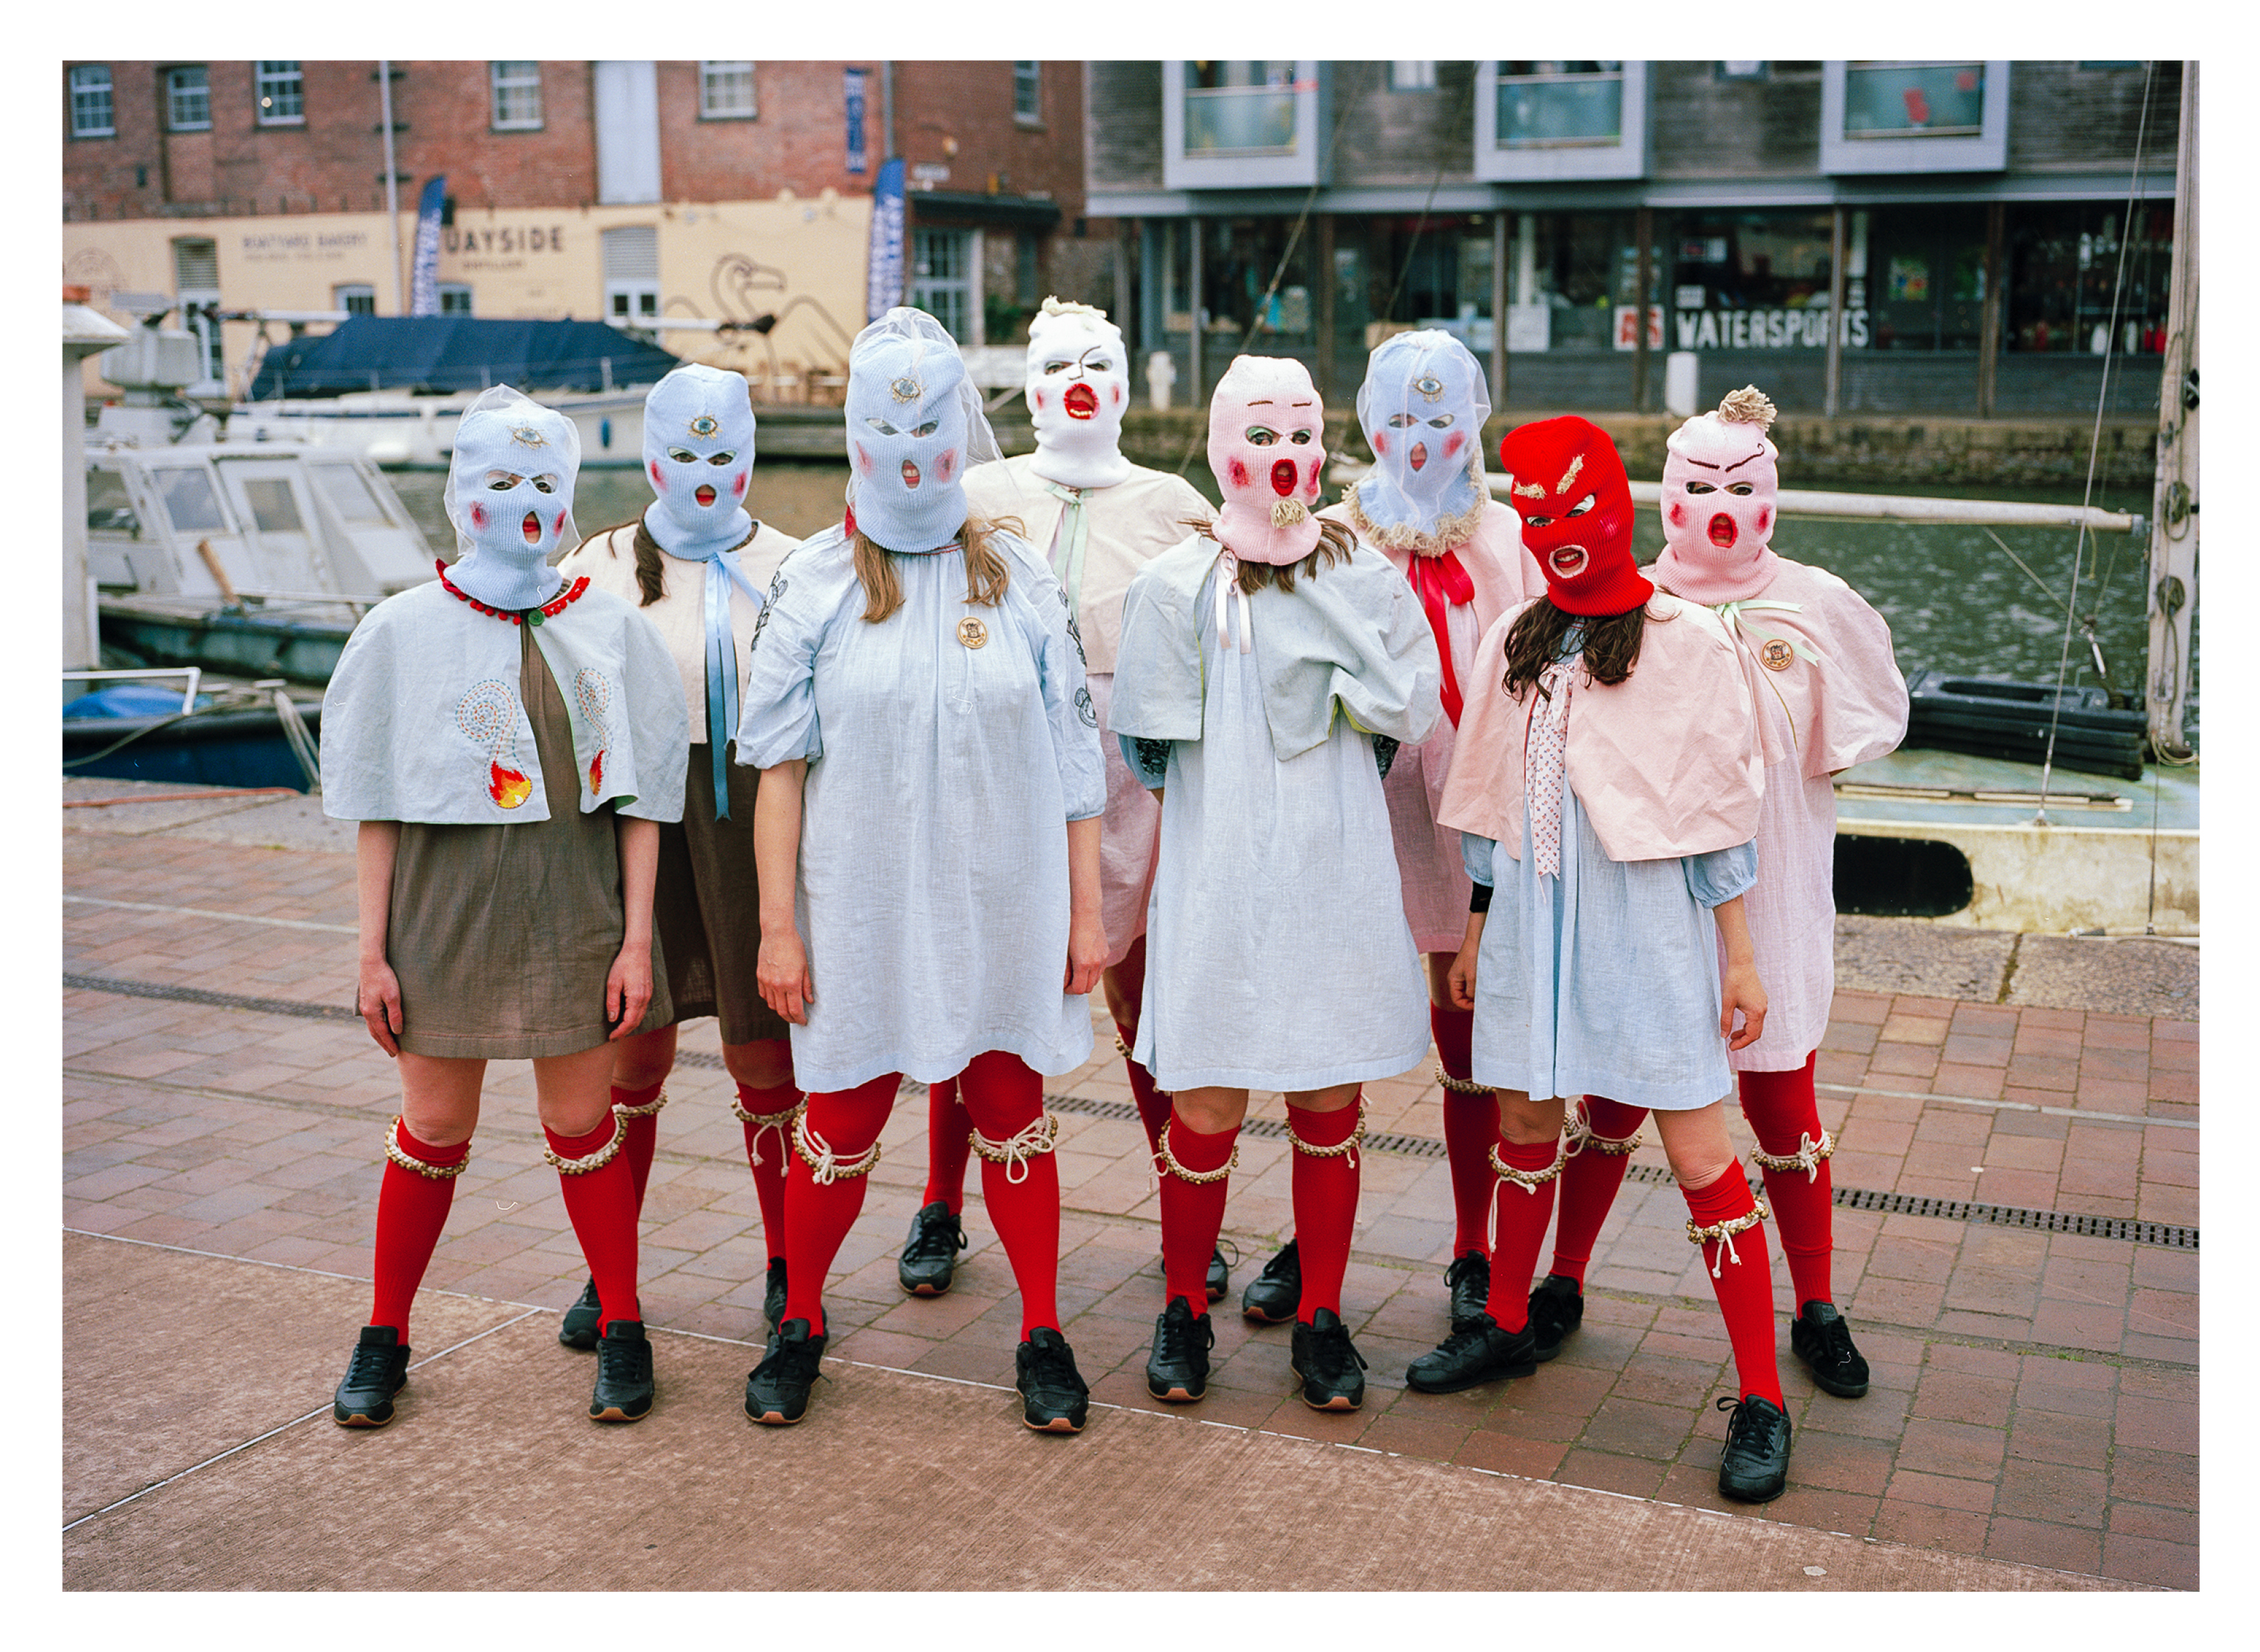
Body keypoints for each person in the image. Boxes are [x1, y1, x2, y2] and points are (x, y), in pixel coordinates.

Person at [1406, 415, 1795, 1503]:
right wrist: (1479, 928)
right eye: (1534, 515)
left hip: (1647, 922)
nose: (1554, 533)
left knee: (1702, 1151)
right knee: (1527, 1123)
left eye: (1571, 510)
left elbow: (1722, 810)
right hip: (1531, 912)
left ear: (1616, 508)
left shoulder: (1686, 639)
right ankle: (1513, 1321)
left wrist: (1740, 959)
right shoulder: (1517, 636)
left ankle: (1762, 1393)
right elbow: (1484, 790)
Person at [735, 308, 1107, 1433]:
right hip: (860, 910)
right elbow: (780, 769)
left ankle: (1041, 1330)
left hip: (1003, 902)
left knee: (1012, 1110)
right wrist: (777, 929)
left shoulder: (1020, 581)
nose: (911, 458)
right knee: (840, 1122)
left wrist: (1086, 918)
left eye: (930, 431)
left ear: (961, 432)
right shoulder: (812, 585)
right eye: (885, 434)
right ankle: (801, 1319)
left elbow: (1077, 763)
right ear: (856, 438)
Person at [320, 386, 688, 1428]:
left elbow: (644, 799)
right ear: (460, 495)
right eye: (500, 482)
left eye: (544, 484)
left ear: (568, 501)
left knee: (583, 1124)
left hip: (575, 913)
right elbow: (376, 806)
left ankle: (621, 1323)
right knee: (432, 1130)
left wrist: (635, 941)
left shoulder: (610, 627)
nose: (522, 503)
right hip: (443, 922)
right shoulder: (401, 630)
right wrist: (371, 953)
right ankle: (385, 1332)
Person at [1529, 388, 1908, 1400]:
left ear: (1773, 498)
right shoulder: (1628, 608)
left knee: (1782, 1097)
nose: (1722, 506)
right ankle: (1563, 1280)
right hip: (1648, 888)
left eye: (1743, 488)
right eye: (1701, 487)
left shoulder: (1819, 605)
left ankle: (1816, 1303)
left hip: (1774, 880)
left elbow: (1845, 737)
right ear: (1667, 499)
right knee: (1614, 1091)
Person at [1111, 355, 1441, 1413]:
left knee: (1327, 1094)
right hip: (1217, 873)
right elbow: (1151, 746)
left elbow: (1404, 710)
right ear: (1218, 447)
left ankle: (1323, 1313)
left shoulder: (1364, 575)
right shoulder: (1174, 584)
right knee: (1203, 1101)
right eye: (1259, 434)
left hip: (1332, 871)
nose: (1283, 454)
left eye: (1300, 433)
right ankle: (1180, 1306)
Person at [899, 296, 1224, 1302]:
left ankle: (1188, 1212)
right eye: (1055, 366)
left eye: (1098, 363)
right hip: (1001, 770)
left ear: (1126, 383)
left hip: (1138, 782)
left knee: (1151, 1000)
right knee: (981, 990)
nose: (1078, 382)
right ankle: (941, 1203)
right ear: (1026, 387)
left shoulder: (1176, 502)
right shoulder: (978, 492)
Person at [1236, 329, 1544, 1331]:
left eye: (1442, 419)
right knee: (1327, 1023)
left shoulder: (1509, 542)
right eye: (1401, 421)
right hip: (1355, 804)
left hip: (1473, 807)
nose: (1421, 441)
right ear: (1367, 427)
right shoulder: (1324, 535)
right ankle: (1309, 1236)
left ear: (1475, 422)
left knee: (1472, 1028)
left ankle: (1472, 1239)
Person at [550, 363, 804, 1349]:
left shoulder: (795, 563)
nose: (705, 472)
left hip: (756, 824)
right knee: (633, 1048)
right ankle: (609, 1269)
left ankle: (789, 1260)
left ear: (750, 454)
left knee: (761, 1053)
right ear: (652, 456)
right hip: (635, 823)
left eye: (724, 452)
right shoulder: (599, 564)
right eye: (686, 453)